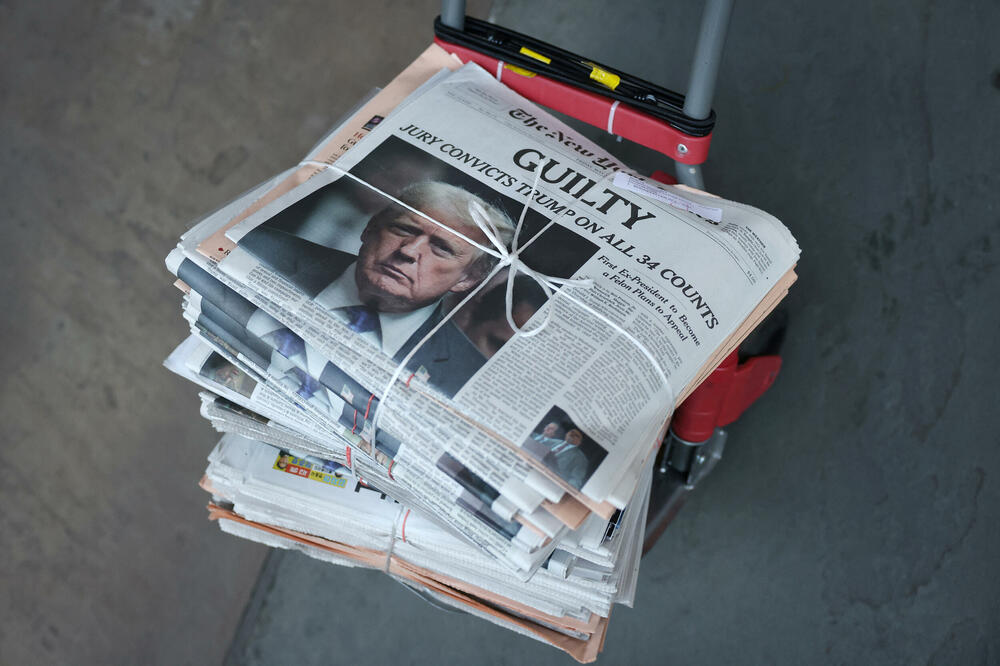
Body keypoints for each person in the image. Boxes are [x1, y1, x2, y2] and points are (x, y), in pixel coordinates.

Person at [239, 181, 515, 397]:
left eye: (441, 248)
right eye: (404, 229)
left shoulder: (462, 377)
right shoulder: (260, 249)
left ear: (469, 278)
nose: (409, 251)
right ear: (371, 228)